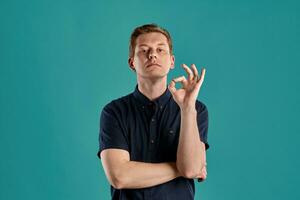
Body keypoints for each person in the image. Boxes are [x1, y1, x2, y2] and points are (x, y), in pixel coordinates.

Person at [97, 23, 209, 200]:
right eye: (143, 50)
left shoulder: (196, 109)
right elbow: (119, 177)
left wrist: (187, 108)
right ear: (132, 62)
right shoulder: (114, 112)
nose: (152, 54)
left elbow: (190, 169)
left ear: (172, 61)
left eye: (160, 49)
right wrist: (179, 168)